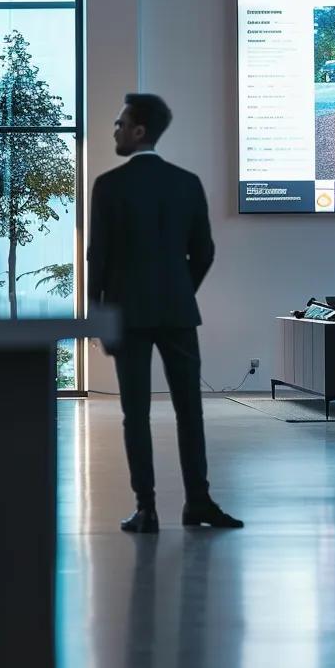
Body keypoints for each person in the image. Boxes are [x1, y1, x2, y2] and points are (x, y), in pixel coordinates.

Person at [87, 93, 242, 533]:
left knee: (134, 413)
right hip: (177, 312)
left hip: (127, 316)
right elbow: (205, 251)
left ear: (138, 131)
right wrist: (179, 290)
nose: (114, 129)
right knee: (188, 410)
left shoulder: (108, 186)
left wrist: (99, 314)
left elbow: (98, 257)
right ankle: (198, 503)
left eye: (120, 123)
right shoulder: (186, 182)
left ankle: (147, 509)